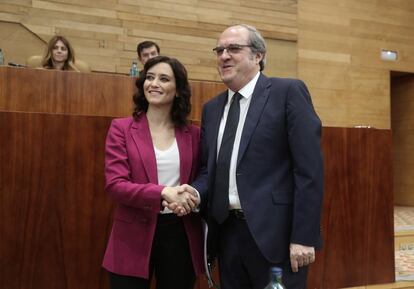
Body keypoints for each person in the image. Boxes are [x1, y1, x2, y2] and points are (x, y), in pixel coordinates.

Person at [168, 24, 324, 289]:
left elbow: (309, 171)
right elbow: (210, 171)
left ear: (258, 56)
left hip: (276, 237)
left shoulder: (287, 92)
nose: (224, 56)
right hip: (227, 235)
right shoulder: (212, 109)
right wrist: (194, 193)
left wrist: (304, 236)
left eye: (234, 49)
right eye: (220, 50)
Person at [102, 55, 204, 289]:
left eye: (164, 78)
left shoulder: (194, 134)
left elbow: (202, 178)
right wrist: (163, 193)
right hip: (132, 234)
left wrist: (189, 198)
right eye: (149, 77)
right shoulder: (121, 129)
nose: (154, 83)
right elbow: (115, 184)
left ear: (178, 90)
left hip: (180, 233)